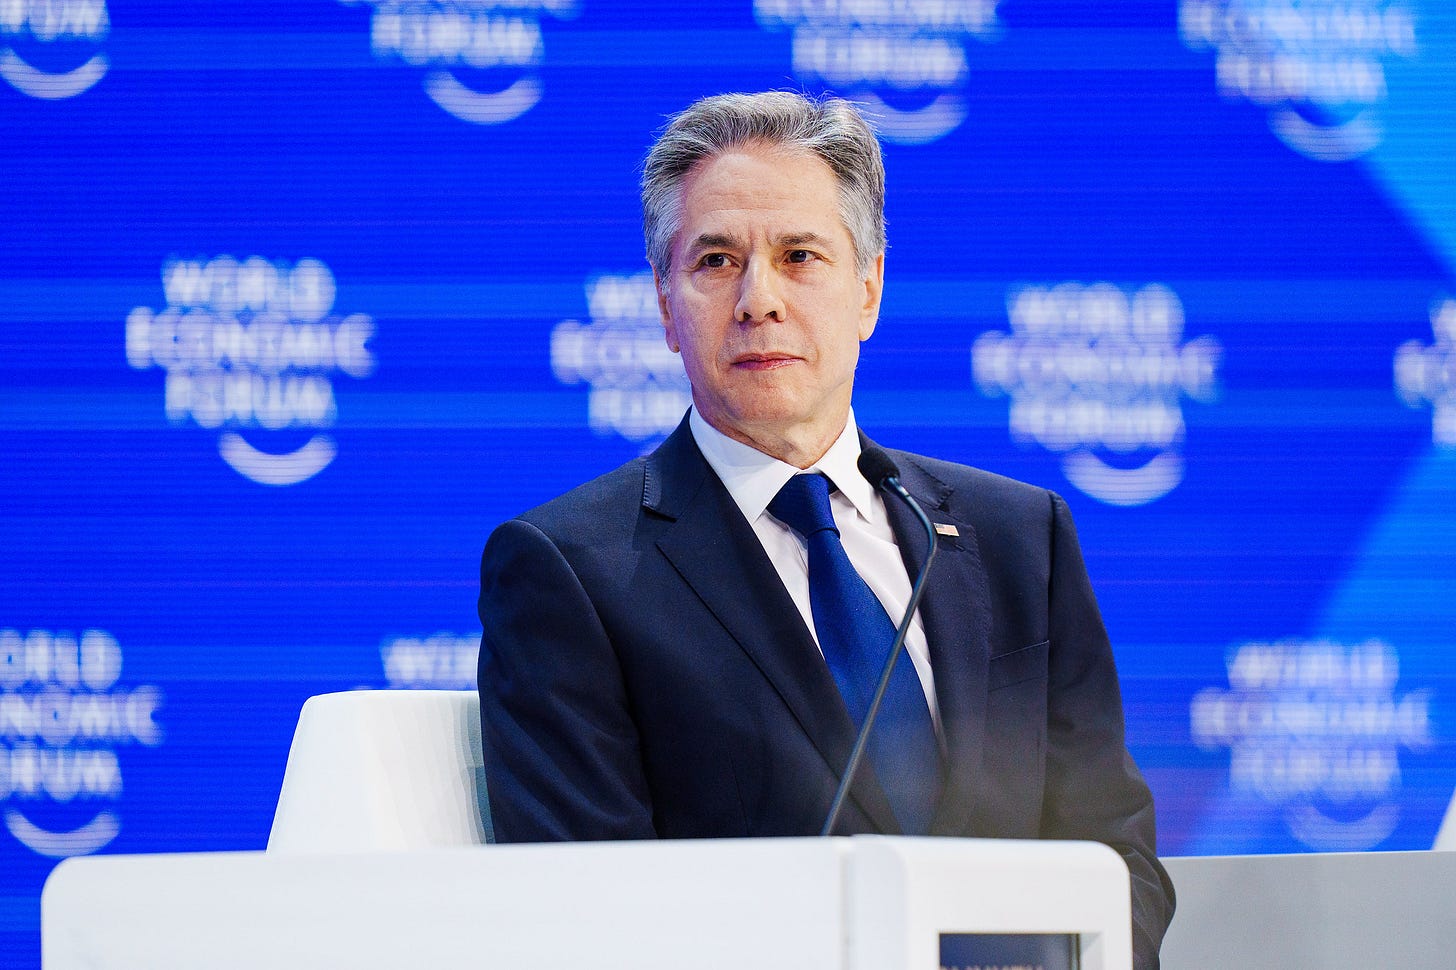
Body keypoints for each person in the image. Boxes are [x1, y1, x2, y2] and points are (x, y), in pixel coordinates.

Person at [477, 91, 1175, 968]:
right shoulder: (571, 570)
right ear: (664, 305)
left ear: (869, 289)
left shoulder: (1018, 540)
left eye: (800, 255)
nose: (757, 298)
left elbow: (1115, 862)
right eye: (716, 261)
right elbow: (587, 920)